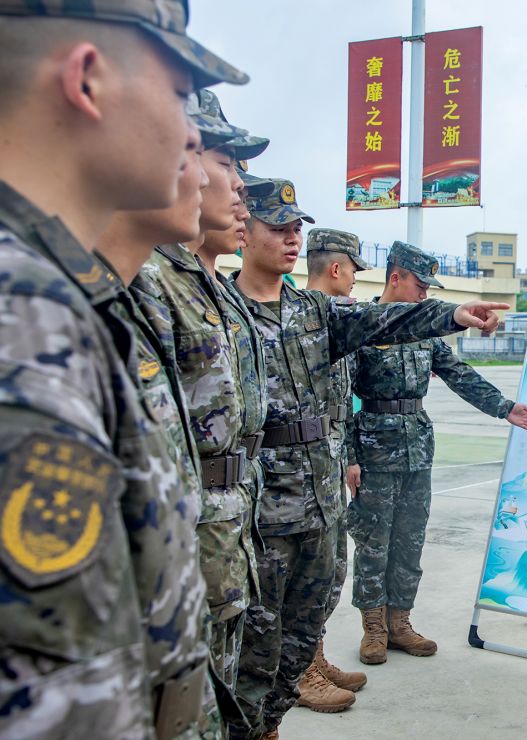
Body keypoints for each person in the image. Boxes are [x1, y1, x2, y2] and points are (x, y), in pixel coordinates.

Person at [0, 2, 247, 737]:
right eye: (177, 93)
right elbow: (64, 701)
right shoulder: (25, 312)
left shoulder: (56, 292)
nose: (194, 133)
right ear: (86, 80)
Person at [231, 179, 509, 739]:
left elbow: (393, 325)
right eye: (278, 229)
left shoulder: (317, 311)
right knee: (263, 619)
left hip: (322, 480)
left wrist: (455, 317)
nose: (290, 239)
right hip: (260, 488)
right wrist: (354, 455)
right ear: (244, 232)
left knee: (319, 592)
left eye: (295, 230)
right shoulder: (222, 306)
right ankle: (311, 673)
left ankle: (310, 673)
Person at [127, 88, 271, 737]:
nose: (240, 189)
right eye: (223, 160)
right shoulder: (146, 282)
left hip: (225, 536)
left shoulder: (207, 284)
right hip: (186, 550)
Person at [348, 241, 527, 666]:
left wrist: (504, 407)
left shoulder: (426, 335)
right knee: (372, 540)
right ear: (395, 277)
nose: (424, 294)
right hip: (373, 448)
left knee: (410, 539)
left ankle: (400, 622)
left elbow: (458, 374)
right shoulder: (360, 325)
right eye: (419, 285)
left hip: (417, 447)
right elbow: (339, 397)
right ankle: (374, 627)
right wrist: (349, 456)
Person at [294, 228, 371, 713]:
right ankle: (299, 672)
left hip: (328, 466)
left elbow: (340, 404)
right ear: (337, 268)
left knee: (330, 573)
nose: (355, 280)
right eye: (353, 269)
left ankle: (314, 655)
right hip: (295, 473)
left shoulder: (337, 322)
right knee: (301, 578)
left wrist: (348, 458)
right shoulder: (300, 319)